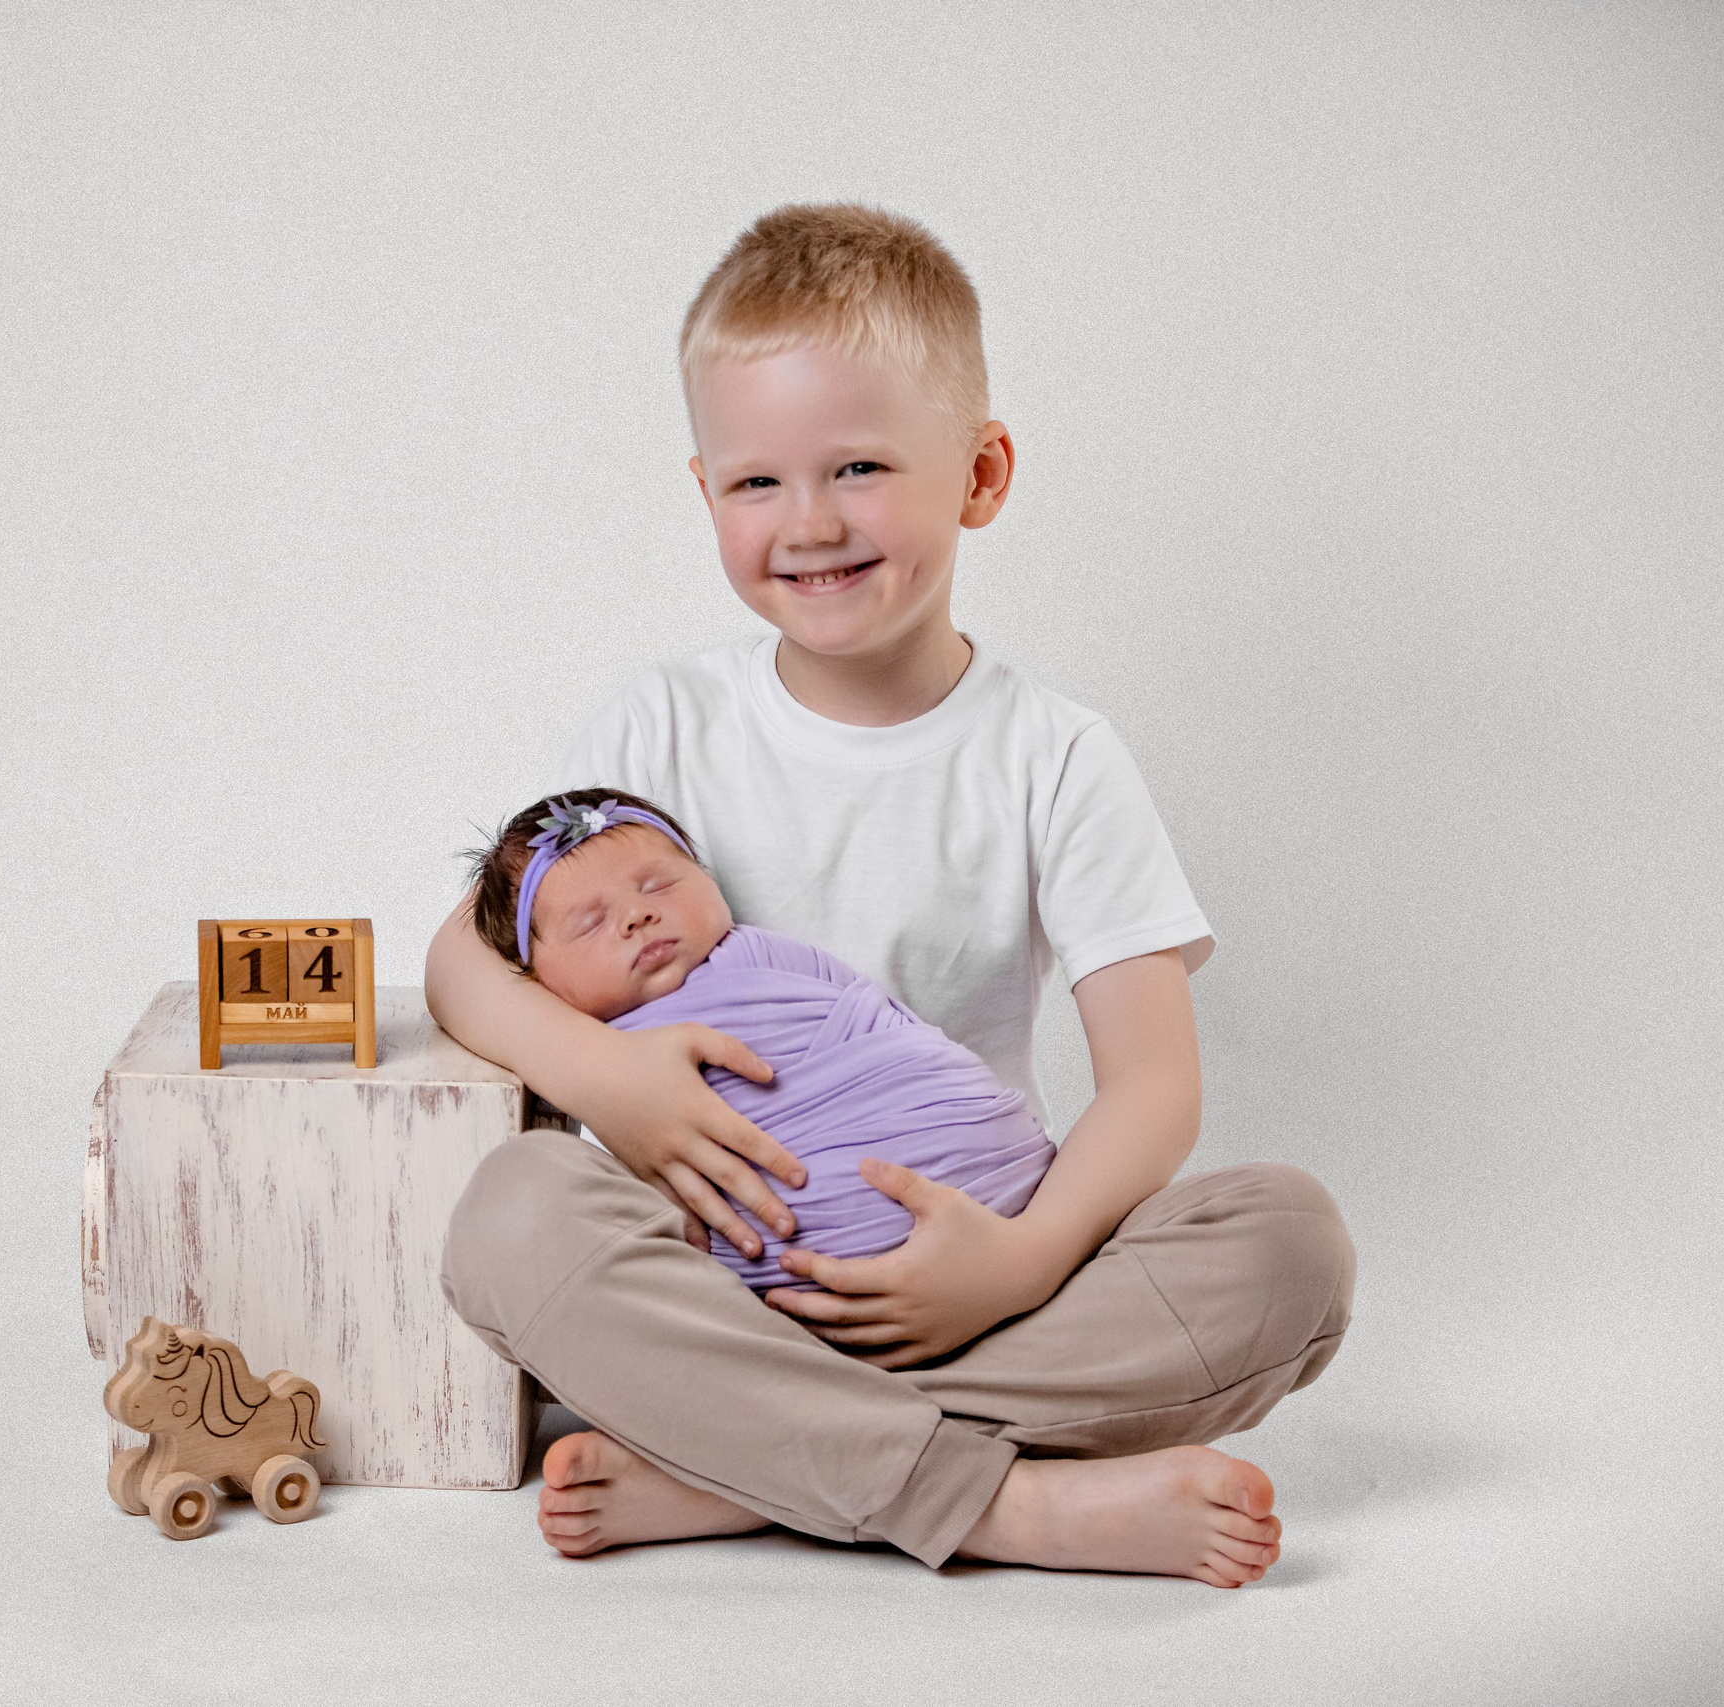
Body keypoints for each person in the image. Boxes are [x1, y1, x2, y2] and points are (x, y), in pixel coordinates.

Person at [426, 202, 1355, 1587]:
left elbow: (1155, 1087)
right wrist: (607, 1083)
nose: (809, 523)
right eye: (756, 482)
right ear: (704, 492)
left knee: (1288, 1244)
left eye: (858, 466)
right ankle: (1009, 1507)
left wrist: (1023, 1259)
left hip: (980, 1288)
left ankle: (743, 1466)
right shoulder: (662, 725)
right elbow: (463, 958)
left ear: (980, 473)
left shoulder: (1053, 755)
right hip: (720, 1291)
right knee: (512, 1209)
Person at [465, 787, 1057, 1291]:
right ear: (532, 977)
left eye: (660, 885)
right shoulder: (575, 1043)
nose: (637, 916)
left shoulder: (765, 955)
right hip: (812, 1242)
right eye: (591, 923)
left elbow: (886, 1027)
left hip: (1006, 1191)